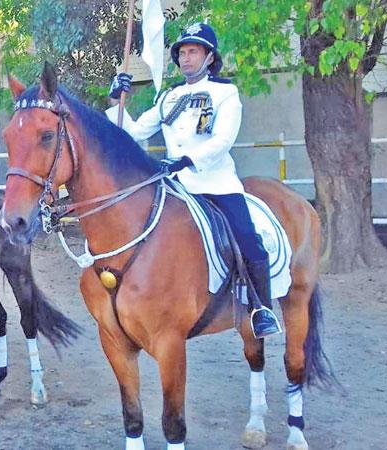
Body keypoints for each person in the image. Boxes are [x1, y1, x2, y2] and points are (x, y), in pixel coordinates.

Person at [105, 22, 281, 339]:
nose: (186, 58)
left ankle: (261, 308)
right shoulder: (168, 97)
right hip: (176, 188)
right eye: (183, 52)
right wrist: (116, 101)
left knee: (247, 239)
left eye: (193, 52)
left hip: (215, 184)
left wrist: (188, 160)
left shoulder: (226, 93)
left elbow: (224, 139)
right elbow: (132, 133)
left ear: (209, 57)